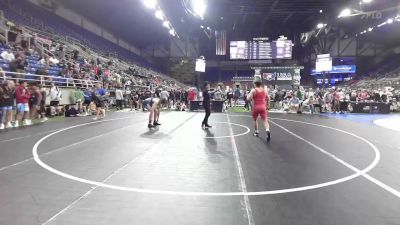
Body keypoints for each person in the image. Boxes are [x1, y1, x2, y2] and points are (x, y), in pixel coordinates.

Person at [247, 76, 271, 142]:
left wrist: (249, 93)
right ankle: (267, 130)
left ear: (255, 83)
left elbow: (248, 98)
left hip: (256, 107)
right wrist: (268, 106)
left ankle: (256, 132)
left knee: (255, 120)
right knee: (265, 121)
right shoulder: (264, 90)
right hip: (263, 107)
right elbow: (268, 99)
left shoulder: (254, 90)